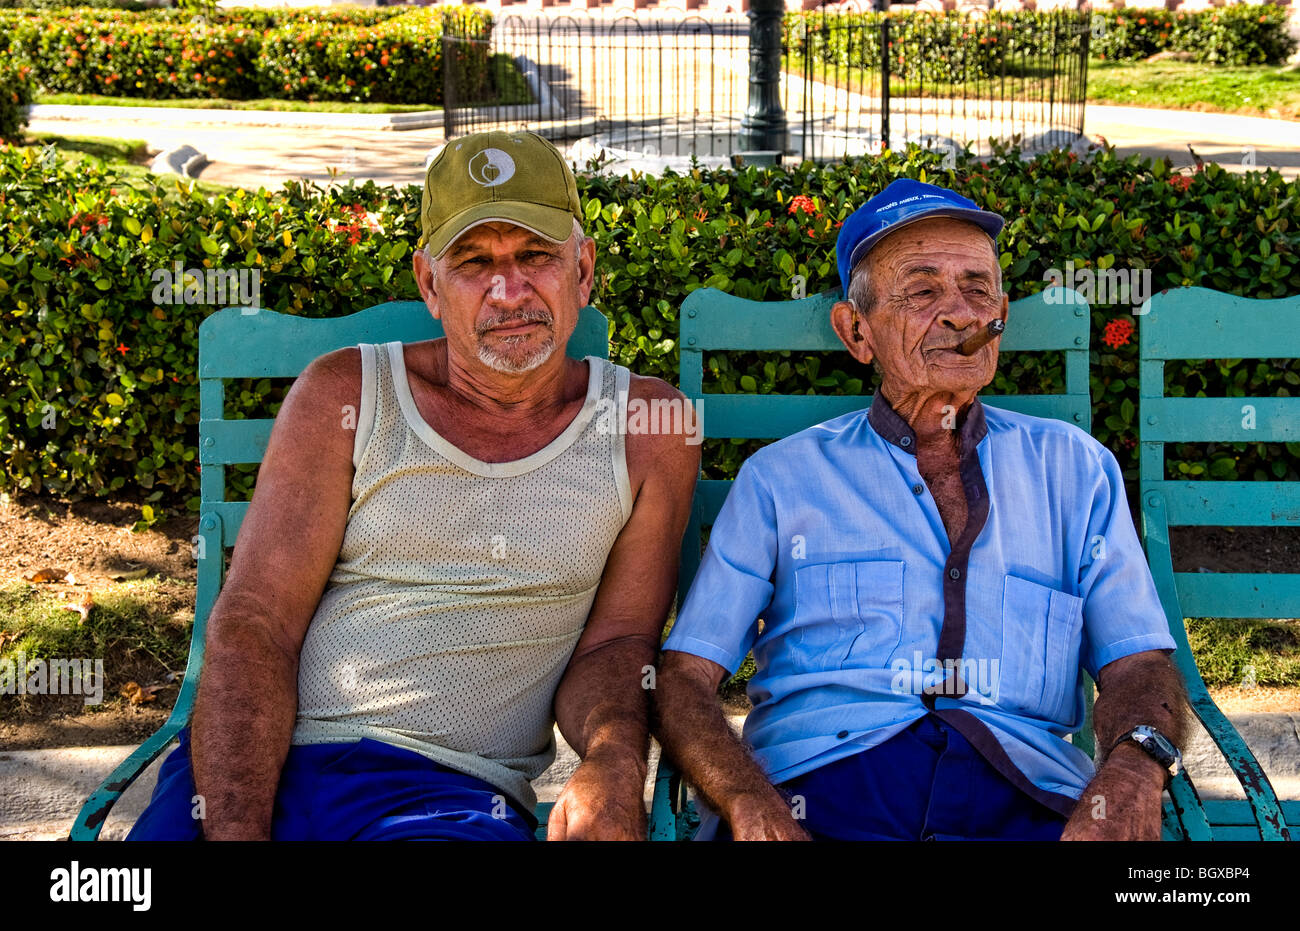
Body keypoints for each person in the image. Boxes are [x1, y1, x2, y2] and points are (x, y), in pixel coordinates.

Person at [129, 131, 699, 841]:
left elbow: (616, 645)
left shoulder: (649, 430)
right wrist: (237, 823)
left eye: (535, 256)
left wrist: (612, 763)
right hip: (252, 763)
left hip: (448, 795)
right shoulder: (345, 394)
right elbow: (256, 622)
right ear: (429, 283)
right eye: (473, 261)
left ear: (583, 270)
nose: (509, 290)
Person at [653, 179, 1189, 841]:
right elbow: (683, 677)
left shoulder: (1076, 471)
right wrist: (747, 801)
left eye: (977, 288)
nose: (960, 313)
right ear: (856, 331)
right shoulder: (781, 479)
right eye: (923, 289)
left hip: (1030, 801)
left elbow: (1138, 664)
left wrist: (1134, 771)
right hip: (821, 796)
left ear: (1001, 316)